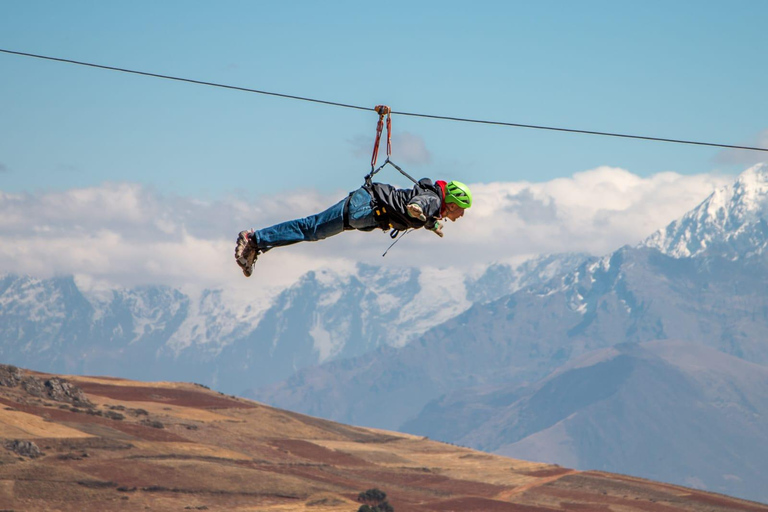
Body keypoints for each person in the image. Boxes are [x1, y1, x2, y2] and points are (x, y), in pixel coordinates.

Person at [234, 178, 472, 277]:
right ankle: (254, 239)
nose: (461, 215)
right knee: (312, 228)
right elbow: (418, 205)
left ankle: (258, 244)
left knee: (313, 231)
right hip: (364, 206)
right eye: (462, 209)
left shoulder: (434, 204)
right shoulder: (431, 201)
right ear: (453, 202)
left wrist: (432, 224)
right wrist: (416, 211)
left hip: (366, 209)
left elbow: (426, 211)